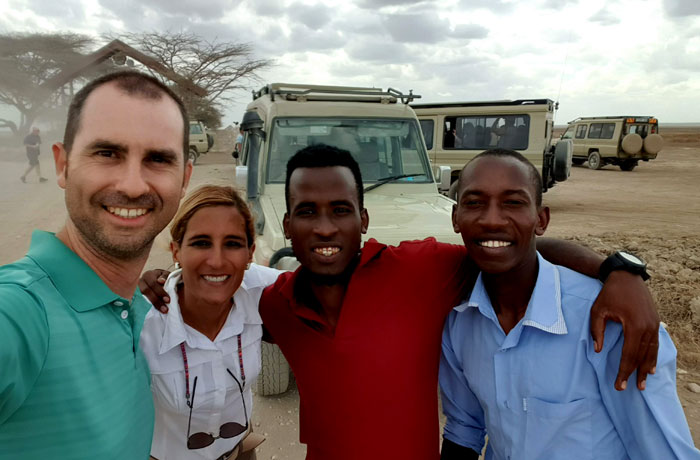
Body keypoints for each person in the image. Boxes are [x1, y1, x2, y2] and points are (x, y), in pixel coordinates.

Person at [142, 144, 659, 460]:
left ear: (363, 221)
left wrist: (620, 270)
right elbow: (214, 282)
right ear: (289, 226)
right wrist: (162, 283)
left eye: (341, 210)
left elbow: (515, 247)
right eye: (308, 212)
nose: (325, 228)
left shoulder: (419, 271)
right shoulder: (275, 302)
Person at [439, 149, 700, 459]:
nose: (492, 219)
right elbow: (464, 428)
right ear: (456, 218)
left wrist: (623, 271)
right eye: (474, 202)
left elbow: (663, 451)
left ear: (541, 219)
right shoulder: (460, 322)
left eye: (513, 202)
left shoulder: (610, 322)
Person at [0, 70, 192, 459]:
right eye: (107, 153)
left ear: (184, 178)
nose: (134, 185)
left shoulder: (135, 309)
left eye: (158, 159)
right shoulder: (20, 314)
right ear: (63, 164)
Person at [141, 185, 278, 460]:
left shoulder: (258, 291)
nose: (217, 261)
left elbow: (328, 288)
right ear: (176, 250)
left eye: (233, 244)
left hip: (241, 453)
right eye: (201, 243)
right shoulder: (143, 324)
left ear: (250, 252)